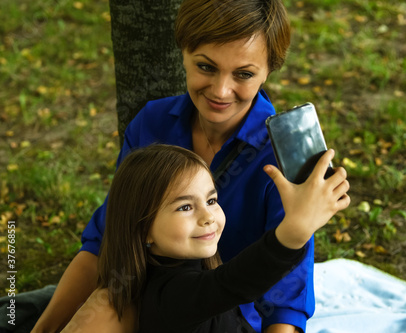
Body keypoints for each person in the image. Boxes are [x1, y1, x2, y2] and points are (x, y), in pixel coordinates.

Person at [32, 0, 317, 332]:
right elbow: (108, 237)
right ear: (183, 52)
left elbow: (286, 299)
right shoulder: (151, 124)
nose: (221, 91)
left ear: (269, 69)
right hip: (151, 296)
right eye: (206, 67)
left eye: (244, 74)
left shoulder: (282, 156)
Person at [61, 144, 350, 332]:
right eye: (185, 207)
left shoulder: (183, 271)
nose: (208, 216)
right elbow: (233, 283)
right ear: (143, 229)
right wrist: (294, 232)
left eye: (211, 200)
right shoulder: (168, 298)